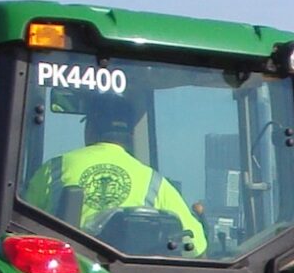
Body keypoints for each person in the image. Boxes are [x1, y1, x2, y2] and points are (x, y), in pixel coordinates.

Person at [24, 85, 207, 255]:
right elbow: (196, 245)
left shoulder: (54, 168)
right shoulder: (154, 181)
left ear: (90, 129)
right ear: (130, 134)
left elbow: (21, 227)